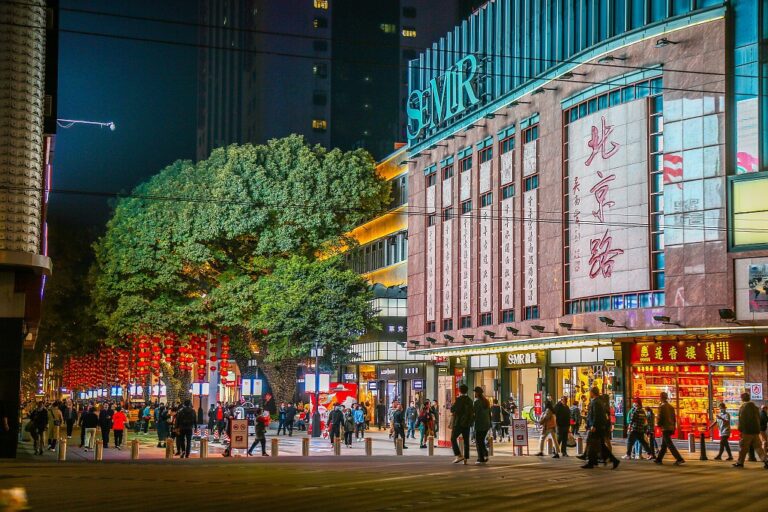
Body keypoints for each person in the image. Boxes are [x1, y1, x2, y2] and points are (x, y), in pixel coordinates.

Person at [581, 387, 619, 469]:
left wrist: (593, 425)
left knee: (591, 443)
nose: (589, 394)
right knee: (601, 445)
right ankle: (613, 460)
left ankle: (591, 462)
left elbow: (596, 415)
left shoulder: (596, 402)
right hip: (599, 427)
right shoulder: (599, 401)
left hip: (596, 427)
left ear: (593, 393)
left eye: (590, 392)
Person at [733, 392, 768, 468]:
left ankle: (740, 462)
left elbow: (742, 420)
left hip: (746, 431)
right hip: (755, 431)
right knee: (758, 447)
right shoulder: (755, 407)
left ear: (742, 398)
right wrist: (757, 429)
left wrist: (740, 430)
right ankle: (766, 460)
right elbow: (758, 419)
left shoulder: (743, 407)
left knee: (743, 447)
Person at [655, 391, 685, 466]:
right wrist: (674, 427)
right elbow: (674, 418)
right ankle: (658, 459)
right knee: (664, 445)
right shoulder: (671, 407)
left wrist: (658, 425)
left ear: (661, 398)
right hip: (670, 427)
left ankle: (679, 459)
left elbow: (659, 417)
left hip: (665, 427)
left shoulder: (661, 407)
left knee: (669, 444)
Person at [450, 384, 474, 464]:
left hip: (458, 423)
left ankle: (459, 455)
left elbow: (452, 409)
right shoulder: (470, 400)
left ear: (460, 391)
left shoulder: (459, 399)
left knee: (453, 438)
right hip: (467, 423)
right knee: (466, 441)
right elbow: (471, 412)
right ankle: (466, 459)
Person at [473, 386, 491, 465]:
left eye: (475, 392)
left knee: (478, 441)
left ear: (477, 393)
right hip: (486, 424)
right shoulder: (486, 401)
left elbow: (474, 413)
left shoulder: (477, 402)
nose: (474, 394)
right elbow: (489, 414)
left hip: (480, 424)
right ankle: (485, 454)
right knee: (481, 441)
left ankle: (481, 459)